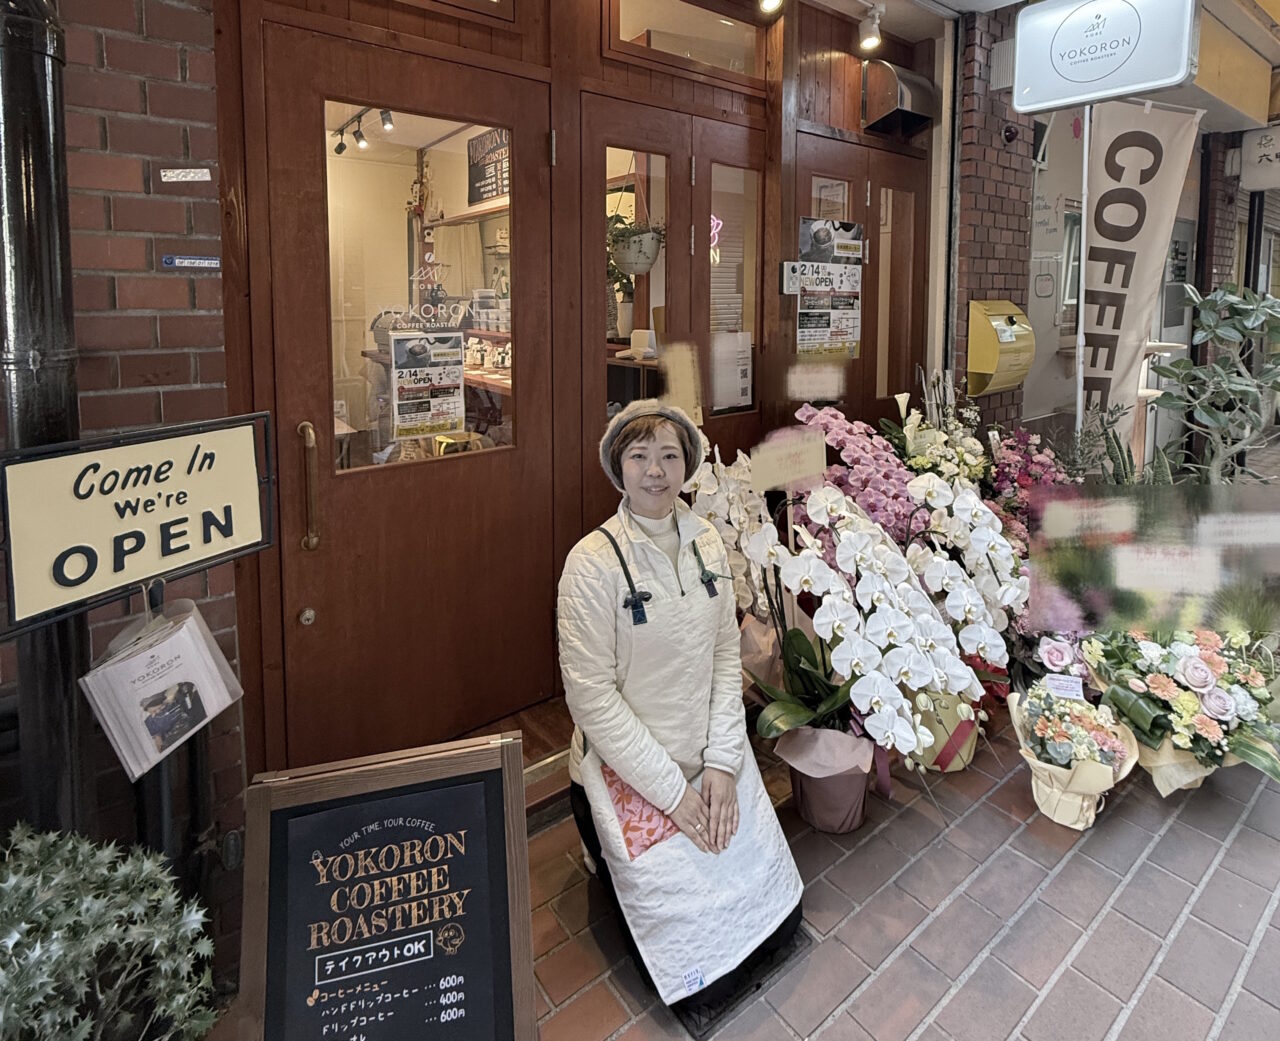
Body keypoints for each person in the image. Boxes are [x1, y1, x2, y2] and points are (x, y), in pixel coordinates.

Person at [557, 399, 803, 1009]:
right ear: (619, 466)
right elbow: (592, 700)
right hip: (631, 771)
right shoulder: (590, 565)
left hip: (710, 750)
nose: (656, 471)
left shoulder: (707, 544)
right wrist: (673, 794)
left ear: (688, 464)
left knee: (781, 928)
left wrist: (722, 762)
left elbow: (725, 656)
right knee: (702, 984)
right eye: (639, 456)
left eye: (670, 455)